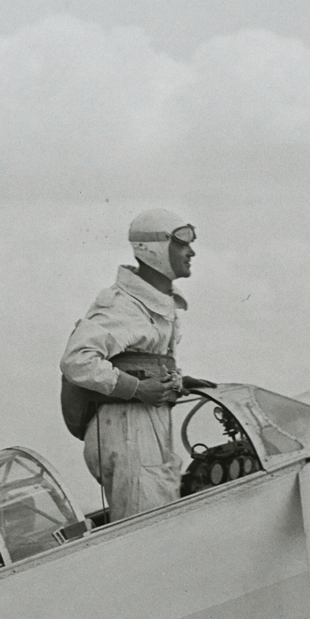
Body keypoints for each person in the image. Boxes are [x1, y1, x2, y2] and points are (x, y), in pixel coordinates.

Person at [59, 208, 214, 521]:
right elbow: (77, 360)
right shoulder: (123, 304)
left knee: (161, 513)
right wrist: (137, 389)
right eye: (182, 243)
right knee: (150, 529)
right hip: (129, 430)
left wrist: (176, 380)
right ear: (155, 248)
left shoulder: (155, 303)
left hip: (144, 423)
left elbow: (140, 359)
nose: (191, 251)